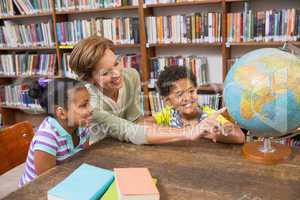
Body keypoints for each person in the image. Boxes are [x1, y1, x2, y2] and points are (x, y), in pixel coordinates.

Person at [69, 36, 222, 145]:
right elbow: (128, 130)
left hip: (131, 145)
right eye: (105, 73)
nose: (117, 74)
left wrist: (182, 127)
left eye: (116, 63)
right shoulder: (89, 102)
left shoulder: (131, 76)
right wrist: (187, 133)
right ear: (89, 79)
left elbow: (135, 121)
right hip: (104, 150)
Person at [19, 78, 93, 187]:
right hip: (37, 191)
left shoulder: (82, 125)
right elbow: (47, 182)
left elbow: (83, 159)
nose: (91, 109)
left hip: (68, 177)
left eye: (89, 103)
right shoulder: (46, 139)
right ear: (62, 113)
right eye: (83, 105)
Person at [155, 65, 245, 144]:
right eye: (179, 94)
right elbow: (142, 126)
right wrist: (188, 131)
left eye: (191, 91)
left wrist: (213, 132)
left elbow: (240, 136)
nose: (187, 98)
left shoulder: (209, 115)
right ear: (168, 101)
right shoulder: (167, 114)